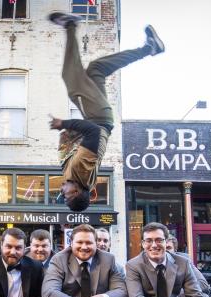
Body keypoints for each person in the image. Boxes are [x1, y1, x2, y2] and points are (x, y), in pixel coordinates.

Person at [48, 11, 164, 212]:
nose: (61, 190)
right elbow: (93, 131)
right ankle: (70, 25)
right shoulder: (80, 171)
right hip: (97, 118)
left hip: (100, 117)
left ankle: (149, 48)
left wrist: (67, 135)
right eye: (65, 195)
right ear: (75, 192)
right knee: (73, 82)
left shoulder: (75, 176)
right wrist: (64, 123)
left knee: (96, 69)